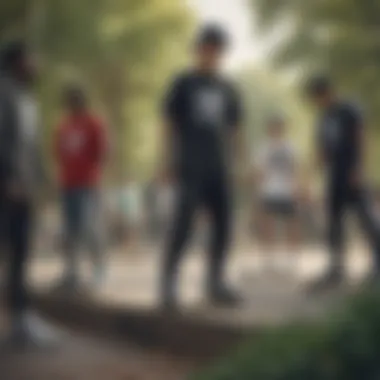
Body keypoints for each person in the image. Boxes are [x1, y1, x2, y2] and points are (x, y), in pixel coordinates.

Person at [161, 25, 244, 309]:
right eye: (207, 48)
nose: (212, 54)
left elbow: (234, 130)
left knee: (224, 225)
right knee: (183, 224)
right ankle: (168, 285)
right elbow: (169, 125)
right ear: (198, 50)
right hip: (190, 165)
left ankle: (215, 283)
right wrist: (166, 161)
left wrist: (239, 166)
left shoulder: (228, 88)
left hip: (219, 168)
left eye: (217, 50)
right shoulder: (183, 83)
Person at [0, 40, 54, 347]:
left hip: (23, 187)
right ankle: (20, 319)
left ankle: (21, 319)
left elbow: (31, 147)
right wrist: (8, 177)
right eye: (32, 57)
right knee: (14, 251)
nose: (37, 63)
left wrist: (40, 181)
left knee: (20, 252)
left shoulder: (27, 98)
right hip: (9, 186)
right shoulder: (4, 92)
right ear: (18, 61)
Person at [306, 75, 380, 291]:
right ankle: (336, 268)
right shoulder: (323, 118)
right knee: (334, 223)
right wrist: (310, 176)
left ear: (327, 92)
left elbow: (361, 137)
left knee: (366, 219)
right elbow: (322, 151)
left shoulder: (349, 109)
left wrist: (359, 168)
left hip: (352, 173)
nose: (317, 102)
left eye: (318, 97)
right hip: (335, 176)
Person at [54, 85, 107, 291]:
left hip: (88, 184)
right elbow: (58, 151)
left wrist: (92, 173)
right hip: (68, 184)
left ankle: (98, 270)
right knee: (70, 230)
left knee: (89, 228)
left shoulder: (94, 123)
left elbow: (102, 151)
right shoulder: (63, 126)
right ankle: (71, 273)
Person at [253, 115, 302, 275]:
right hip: (269, 190)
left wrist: (298, 188)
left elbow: (296, 168)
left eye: (279, 126)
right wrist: (258, 192)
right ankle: (268, 258)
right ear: (269, 129)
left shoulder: (290, 147)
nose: (276, 130)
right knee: (268, 226)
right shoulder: (263, 148)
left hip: (288, 190)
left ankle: (292, 258)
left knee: (291, 224)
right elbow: (259, 171)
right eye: (273, 126)